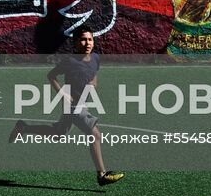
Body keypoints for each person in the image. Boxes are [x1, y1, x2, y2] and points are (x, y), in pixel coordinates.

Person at [9, 27, 125, 187]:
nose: (87, 43)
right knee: (95, 134)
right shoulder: (70, 62)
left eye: (90, 39)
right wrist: (63, 93)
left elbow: (94, 74)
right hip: (73, 105)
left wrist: (93, 84)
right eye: (83, 40)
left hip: (83, 102)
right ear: (75, 42)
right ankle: (102, 174)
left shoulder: (96, 58)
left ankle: (23, 128)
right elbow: (51, 75)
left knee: (58, 133)